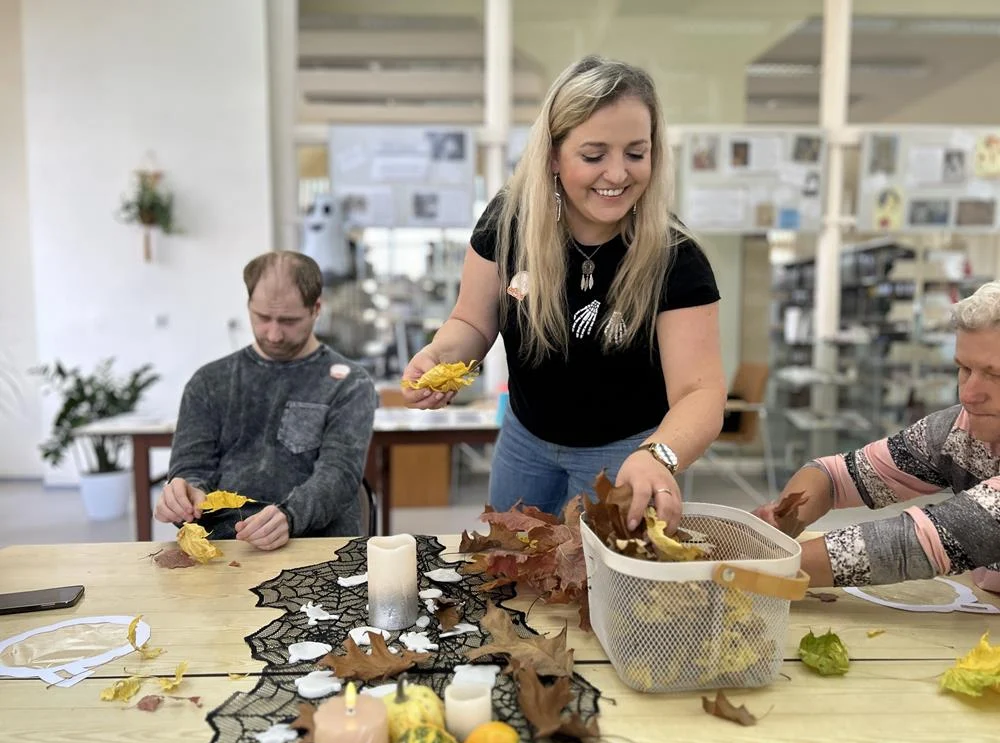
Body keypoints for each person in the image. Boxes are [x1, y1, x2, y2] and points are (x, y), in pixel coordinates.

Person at [401, 55, 726, 532]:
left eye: (636, 153)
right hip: (525, 441)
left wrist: (659, 455)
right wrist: (440, 356)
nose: (617, 174)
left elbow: (701, 393)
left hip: (628, 450)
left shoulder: (677, 257)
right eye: (594, 156)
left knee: (607, 591)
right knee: (511, 574)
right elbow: (472, 322)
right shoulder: (507, 223)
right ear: (553, 155)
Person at [755, 281, 1000, 592]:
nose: (970, 393)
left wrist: (759, 567)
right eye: (965, 368)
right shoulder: (958, 430)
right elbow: (837, 475)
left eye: (995, 375)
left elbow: (918, 543)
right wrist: (785, 517)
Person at [154, 251, 378, 550]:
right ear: (248, 306)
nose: (273, 334)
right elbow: (192, 468)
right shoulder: (208, 382)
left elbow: (338, 475)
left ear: (316, 309)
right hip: (223, 548)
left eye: (288, 320)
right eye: (262, 318)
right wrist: (184, 495)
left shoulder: (350, 383)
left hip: (318, 546)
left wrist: (290, 517)